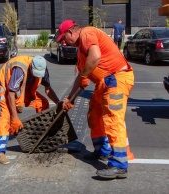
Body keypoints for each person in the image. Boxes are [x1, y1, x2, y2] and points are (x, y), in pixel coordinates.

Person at [57, 20, 134, 179]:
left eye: (64, 38)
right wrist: (70, 99)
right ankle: (102, 151)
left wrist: (85, 75)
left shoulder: (87, 33)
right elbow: (81, 77)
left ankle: (119, 164)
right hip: (104, 83)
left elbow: (96, 56)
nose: (64, 42)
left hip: (117, 79)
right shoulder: (80, 50)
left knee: (113, 119)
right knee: (94, 114)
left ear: (71, 32)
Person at [0, 55, 60, 165]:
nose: (38, 75)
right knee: (6, 114)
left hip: (23, 87)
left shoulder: (43, 68)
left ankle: (41, 137)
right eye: (35, 73)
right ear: (31, 67)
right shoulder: (19, 69)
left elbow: (48, 90)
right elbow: (11, 93)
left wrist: (58, 103)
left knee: (43, 103)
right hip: (5, 87)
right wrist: (14, 117)